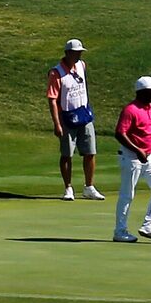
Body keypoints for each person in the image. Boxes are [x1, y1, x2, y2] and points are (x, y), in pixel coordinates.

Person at [114, 75, 151, 243]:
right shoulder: (130, 110)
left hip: (149, 155)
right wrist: (137, 150)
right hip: (131, 157)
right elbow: (119, 133)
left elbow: (148, 132)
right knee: (127, 195)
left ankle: (149, 225)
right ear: (142, 92)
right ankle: (120, 231)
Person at [46, 37, 98, 200]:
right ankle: (68, 188)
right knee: (67, 154)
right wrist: (57, 123)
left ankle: (89, 187)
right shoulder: (56, 73)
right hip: (67, 118)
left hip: (84, 114)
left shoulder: (82, 66)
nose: (79, 56)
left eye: (80, 53)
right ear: (67, 53)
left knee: (90, 152)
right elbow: (52, 100)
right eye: (76, 53)